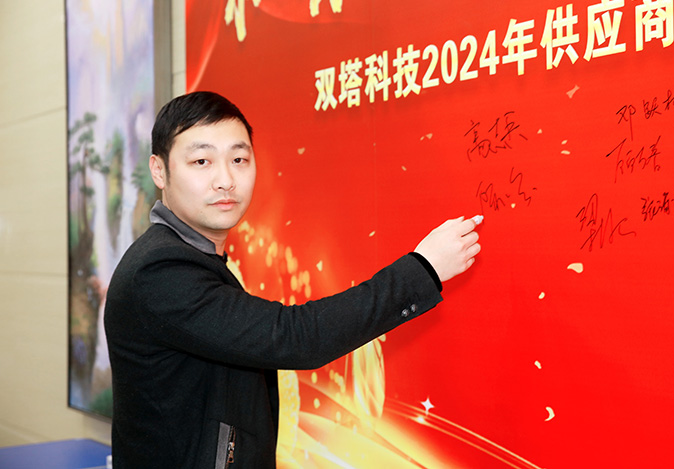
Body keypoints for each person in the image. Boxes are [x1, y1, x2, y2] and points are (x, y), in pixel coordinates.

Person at [104, 91, 481, 468]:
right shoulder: (160, 271)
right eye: (201, 161)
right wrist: (423, 269)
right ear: (159, 170)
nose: (225, 180)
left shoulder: (195, 256)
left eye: (238, 159)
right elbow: (294, 337)